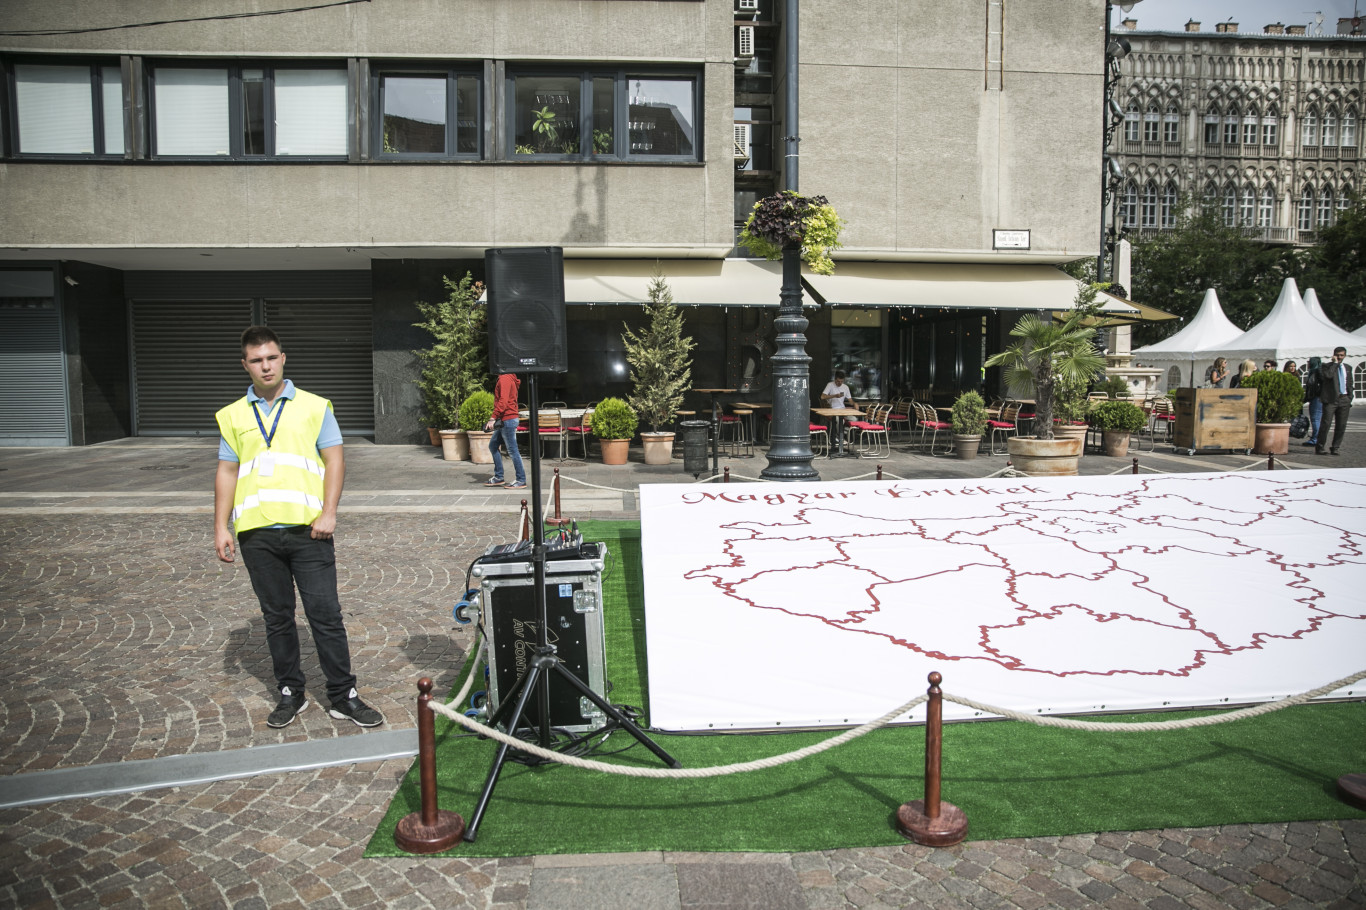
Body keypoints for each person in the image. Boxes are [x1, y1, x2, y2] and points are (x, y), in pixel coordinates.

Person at [214, 326, 383, 729]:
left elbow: (336, 460)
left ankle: (344, 696)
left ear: (283, 358)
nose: (265, 366)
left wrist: (329, 512)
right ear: (245, 365)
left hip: (310, 531)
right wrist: (221, 526)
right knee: (277, 618)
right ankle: (291, 692)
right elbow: (227, 470)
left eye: (271, 357)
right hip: (256, 533)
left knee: (325, 615)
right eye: (256, 360)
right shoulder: (234, 415)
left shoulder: (313, 407)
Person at [483, 372, 527, 489]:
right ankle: (499, 477)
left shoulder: (505, 378)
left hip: (508, 419)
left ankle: (521, 479)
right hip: (505, 419)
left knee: (513, 451)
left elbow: (503, 401)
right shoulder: (507, 378)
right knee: (493, 445)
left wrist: (492, 418)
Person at [1315, 347, 1352, 456]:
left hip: (1344, 399)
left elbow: (1349, 383)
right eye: (1337, 355)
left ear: (1345, 355)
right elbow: (1328, 376)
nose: (1339, 357)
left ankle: (1335, 447)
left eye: (1341, 355)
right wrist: (1335, 363)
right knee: (1326, 424)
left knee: (1341, 425)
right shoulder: (1326, 366)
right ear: (1334, 355)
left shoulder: (1348, 368)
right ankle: (1320, 447)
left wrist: (1350, 397)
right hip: (1331, 400)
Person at [820, 370, 852, 447]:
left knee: (854, 419)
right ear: (835, 379)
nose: (839, 383)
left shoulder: (845, 387)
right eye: (838, 381)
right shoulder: (830, 385)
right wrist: (834, 396)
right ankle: (839, 437)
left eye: (841, 381)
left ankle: (843, 435)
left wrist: (854, 404)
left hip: (842, 410)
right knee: (838, 420)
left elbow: (850, 400)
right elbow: (822, 397)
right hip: (832, 410)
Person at [1302, 355, 1324, 447]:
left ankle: (1315, 439)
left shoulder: (1316, 372)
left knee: (1315, 419)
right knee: (1316, 419)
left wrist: (1307, 398)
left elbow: (1312, 387)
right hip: (1317, 398)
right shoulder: (1316, 371)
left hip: (1316, 398)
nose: (1308, 363)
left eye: (1309, 362)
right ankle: (1316, 438)